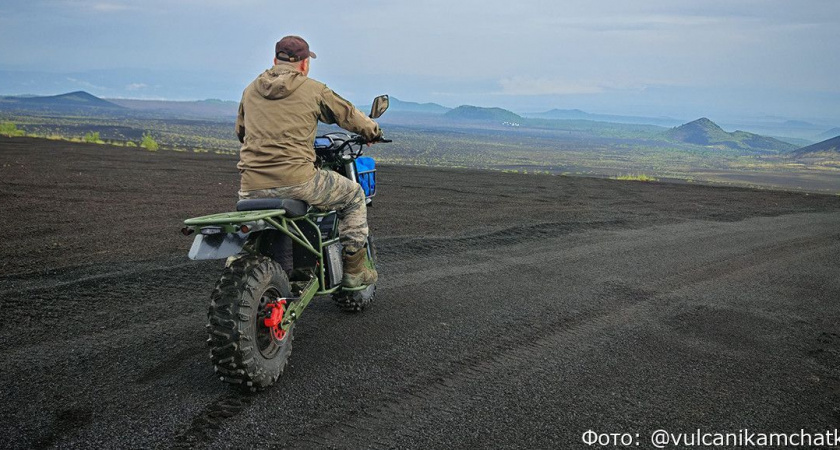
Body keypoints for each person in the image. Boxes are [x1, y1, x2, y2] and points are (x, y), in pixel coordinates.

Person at [235, 35, 381, 288]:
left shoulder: (250, 90)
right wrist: (372, 132)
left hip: (251, 185)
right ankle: (355, 271)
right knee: (354, 195)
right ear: (304, 63)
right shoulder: (313, 89)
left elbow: (241, 133)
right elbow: (348, 115)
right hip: (297, 181)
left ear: (275, 60)